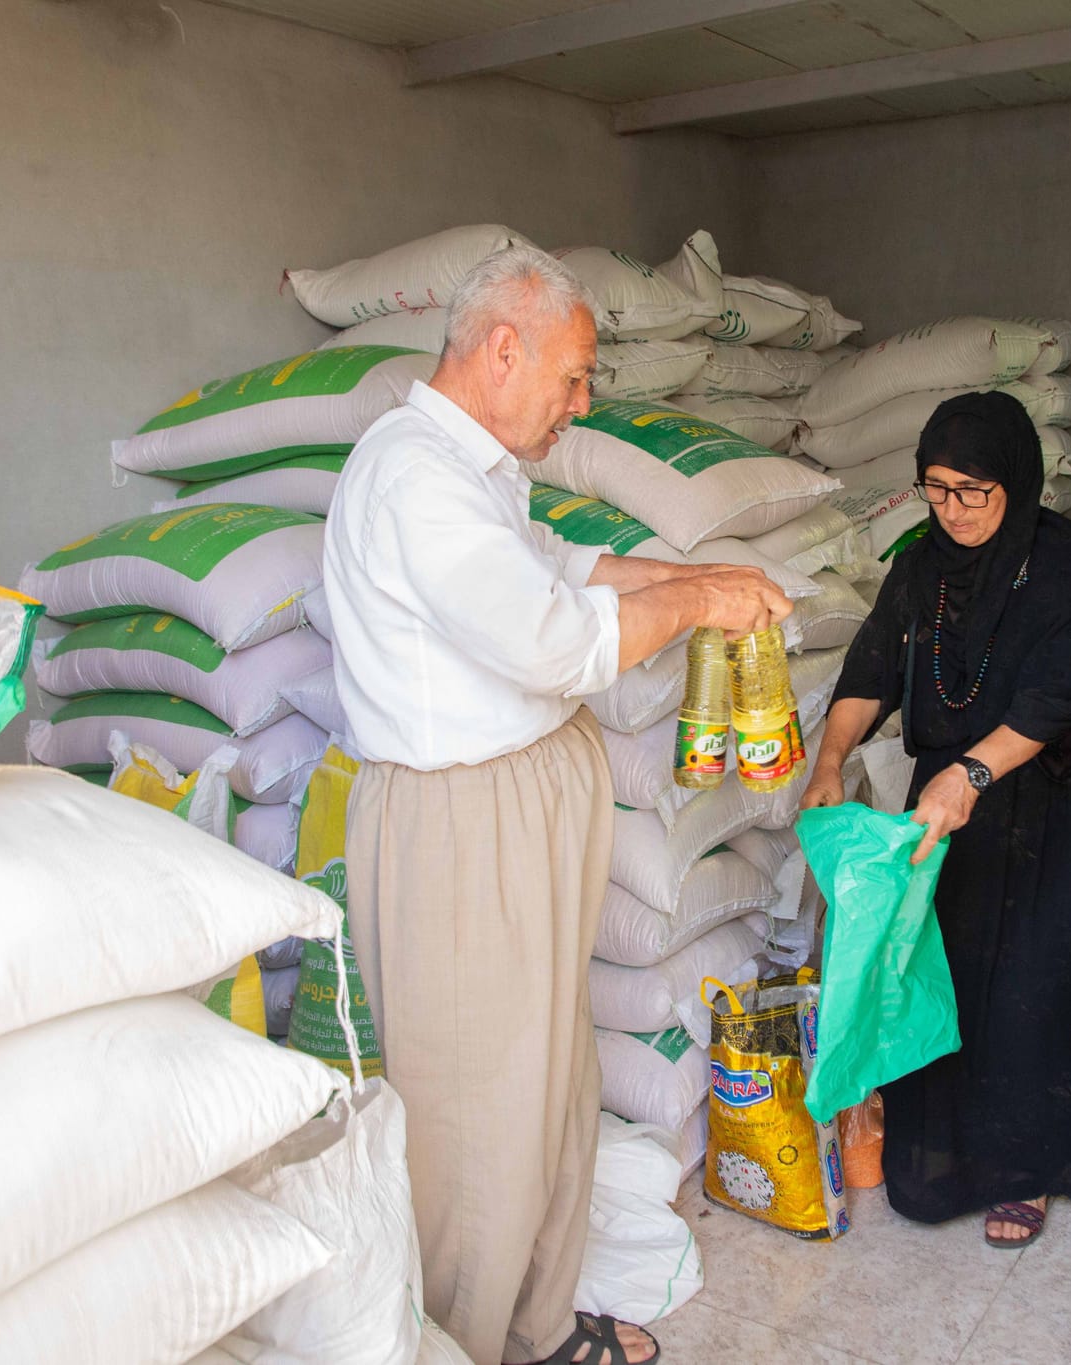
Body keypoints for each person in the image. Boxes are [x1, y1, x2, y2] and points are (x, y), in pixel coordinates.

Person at [323, 245, 791, 1365]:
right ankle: (465, 1342)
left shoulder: (473, 471)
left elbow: (555, 567)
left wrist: (699, 581)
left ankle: (529, 1329)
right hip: (457, 821)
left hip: (515, 804)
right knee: (471, 1108)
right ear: (500, 349)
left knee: (542, 1081)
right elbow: (546, 639)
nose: (581, 403)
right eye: (573, 377)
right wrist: (695, 599)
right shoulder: (413, 477)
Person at [799, 390, 1071, 1249]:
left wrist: (973, 769)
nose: (952, 510)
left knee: (1031, 983)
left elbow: (1065, 690)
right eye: (936, 489)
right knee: (942, 972)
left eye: (971, 492)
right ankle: (941, 1149)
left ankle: (1030, 1168)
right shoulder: (922, 565)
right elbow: (874, 666)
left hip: (1056, 797)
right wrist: (831, 760)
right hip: (952, 805)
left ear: (1016, 484)